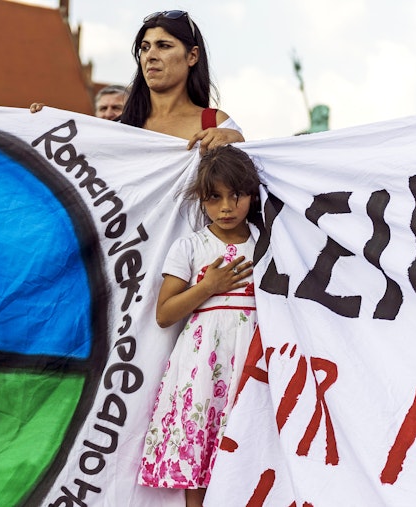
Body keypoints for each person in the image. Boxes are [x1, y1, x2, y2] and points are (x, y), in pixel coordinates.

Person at [137, 145, 260, 506]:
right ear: (201, 201)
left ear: (252, 196)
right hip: (203, 361)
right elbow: (164, 313)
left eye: (236, 196)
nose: (225, 207)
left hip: (252, 358)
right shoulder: (190, 246)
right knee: (201, 443)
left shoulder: (267, 245)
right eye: (214, 197)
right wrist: (208, 287)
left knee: (247, 443)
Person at [121, 11, 244, 153]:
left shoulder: (217, 124)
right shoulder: (119, 127)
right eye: (145, 48)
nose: (150, 56)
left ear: (192, 56)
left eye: (164, 46)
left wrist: (239, 144)